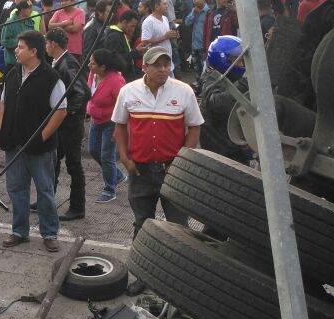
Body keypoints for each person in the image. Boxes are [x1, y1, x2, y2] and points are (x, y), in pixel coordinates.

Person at [112, 46, 204, 242]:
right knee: (142, 224)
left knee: (178, 227)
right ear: (144, 67)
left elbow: (194, 127)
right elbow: (120, 126)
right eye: (157, 66)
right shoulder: (128, 91)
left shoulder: (184, 91)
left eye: (166, 65)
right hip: (139, 171)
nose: (163, 69)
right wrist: (124, 158)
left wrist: (181, 160)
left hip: (173, 170)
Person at [0, 30, 66, 252]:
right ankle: (19, 231)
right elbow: (3, 102)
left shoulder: (51, 78)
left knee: (45, 190)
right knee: (17, 189)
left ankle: (49, 233)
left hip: (40, 148)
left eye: (20, 47)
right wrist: (3, 127)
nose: (16, 51)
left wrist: (41, 138)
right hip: (14, 144)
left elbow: (60, 112)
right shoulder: (13, 74)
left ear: (34, 51)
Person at [47, 28, 88, 221]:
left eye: (47, 43)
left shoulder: (68, 62)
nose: (46, 47)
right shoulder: (59, 61)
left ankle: (77, 206)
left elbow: (81, 92)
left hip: (70, 124)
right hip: (63, 122)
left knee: (73, 164)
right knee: (54, 161)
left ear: (53, 44)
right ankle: (47, 200)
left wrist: (67, 113)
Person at [199, 36, 254, 165]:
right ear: (223, 59)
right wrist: (245, 83)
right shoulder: (210, 77)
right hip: (220, 146)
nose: (242, 64)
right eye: (238, 61)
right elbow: (218, 102)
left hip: (235, 140)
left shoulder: (231, 75)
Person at [86, 48, 127, 204]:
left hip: (110, 122)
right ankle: (117, 175)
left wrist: (119, 127)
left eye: (92, 62)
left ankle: (109, 189)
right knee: (93, 150)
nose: (89, 64)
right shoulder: (93, 74)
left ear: (103, 67)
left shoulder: (116, 81)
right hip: (96, 120)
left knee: (106, 155)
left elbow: (123, 105)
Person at [183, 0, 211, 74]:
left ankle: (205, 86)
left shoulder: (209, 12)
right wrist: (193, 13)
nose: (197, 1)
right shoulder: (194, 11)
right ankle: (198, 84)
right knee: (196, 68)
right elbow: (187, 23)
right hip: (195, 46)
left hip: (204, 46)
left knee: (205, 68)